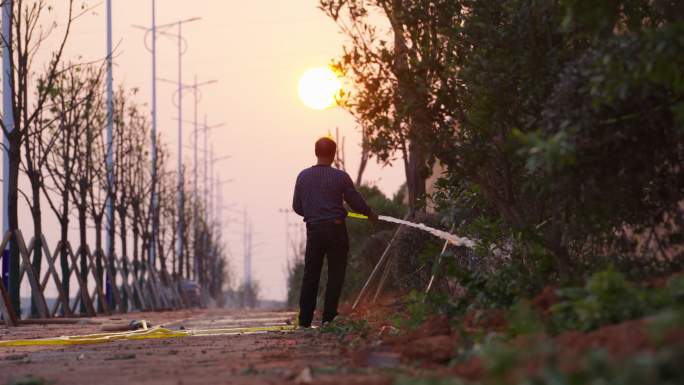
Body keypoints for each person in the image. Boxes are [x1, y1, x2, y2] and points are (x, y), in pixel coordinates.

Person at [292, 137, 378, 327]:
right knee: (335, 274)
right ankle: (328, 319)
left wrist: (314, 213)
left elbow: (297, 206)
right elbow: (355, 201)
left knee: (311, 275)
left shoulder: (303, 176)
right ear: (334, 154)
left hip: (314, 231)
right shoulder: (340, 177)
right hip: (336, 230)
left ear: (315, 152)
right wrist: (370, 213)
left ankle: (304, 320)